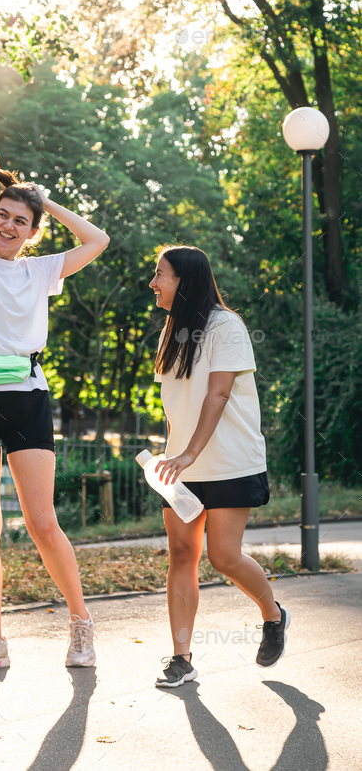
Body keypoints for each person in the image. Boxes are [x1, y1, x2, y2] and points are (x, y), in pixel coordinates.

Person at [0, 151, 109, 673]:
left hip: (26, 396)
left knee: (41, 520)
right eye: (3, 215)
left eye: (21, 221)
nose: (9, 225)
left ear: (33, 231)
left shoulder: (42, 269)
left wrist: (45, 201)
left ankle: (81, 624)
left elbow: (96, 241)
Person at [148, 244, 290, 688]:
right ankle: (181, 658)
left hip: (229, 461)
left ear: (184, 281)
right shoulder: (170, 332)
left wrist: (189, 452)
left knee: (224, 557)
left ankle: (273, 614)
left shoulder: (227, 326)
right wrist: (170, 452)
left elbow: (218, 394)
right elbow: (175, 403)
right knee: (182, 556)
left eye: (161, 274)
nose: (153, 282)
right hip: (181, 468)